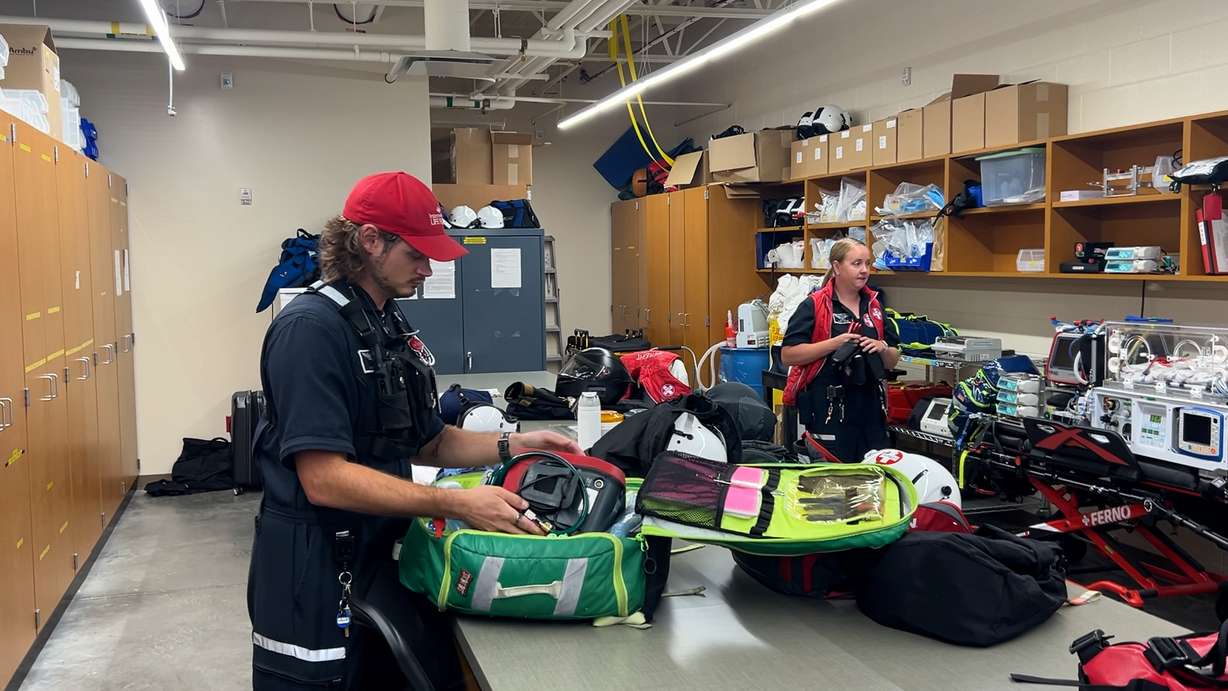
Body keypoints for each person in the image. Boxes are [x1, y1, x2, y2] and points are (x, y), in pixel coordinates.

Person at [246, 171, 581, 690]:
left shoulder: (388, 325)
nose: (429, 269)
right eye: (418, 255)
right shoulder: (310, 331)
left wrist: (515, 444)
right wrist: (457, 504)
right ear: (371, 241)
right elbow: (324, 478)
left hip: (379, 554)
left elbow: (430, 440)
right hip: (312, 573)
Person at [781, 238, 900, 461]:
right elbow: (788, 355)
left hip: (871, 410)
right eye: (856, 263)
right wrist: (834, 344)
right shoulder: (814, 305)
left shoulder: (875, 306)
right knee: (833, 483)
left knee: (874, 477)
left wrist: (881, 348)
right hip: (830, 409)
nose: (864, 270)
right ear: (837, 267)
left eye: (867, 263)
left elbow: (892, 360)